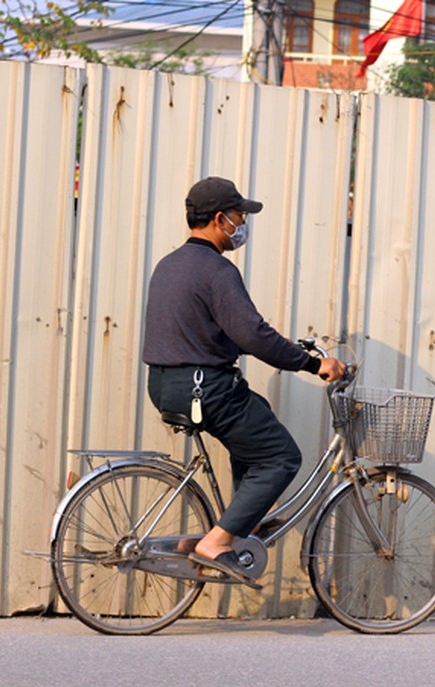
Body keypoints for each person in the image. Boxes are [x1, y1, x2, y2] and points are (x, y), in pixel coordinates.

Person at [142, 176, 344, 587]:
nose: (242, 224)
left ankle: (245, 520)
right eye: (238, 216)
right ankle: (217, 542)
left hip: (166, 384)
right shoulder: (217, 270)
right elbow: (251, 335)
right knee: (283, 456)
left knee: (258, 417)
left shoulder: (169, 264)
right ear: (219, 219)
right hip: (206, 388)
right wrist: (311, 364)